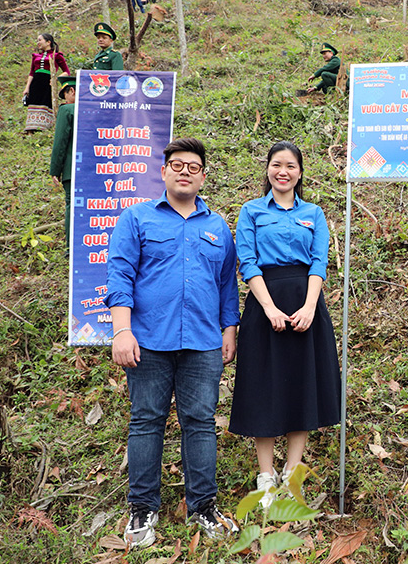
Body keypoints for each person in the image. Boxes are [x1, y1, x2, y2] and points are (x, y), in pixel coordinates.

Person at [106, 138, 240, 549]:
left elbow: (226, 286)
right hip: (148, 341)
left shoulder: (217, 226)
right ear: (163, 172)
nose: (185, 171)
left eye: (193, 166)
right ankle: (142, 509)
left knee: (200, 423)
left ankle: (203, 506)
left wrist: (229, 331)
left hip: (202, 343)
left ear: (203, 176)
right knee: (147, 422)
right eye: (177, 165)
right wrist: (122, 330)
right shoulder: (137, 219)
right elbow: (120, 276)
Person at [228, 141, 342, 509]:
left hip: (306, 306)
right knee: (264, 387)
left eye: (291, 166)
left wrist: (309, 307)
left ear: (300, 172)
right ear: (267, 170)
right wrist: (270, 308)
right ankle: (265, 478)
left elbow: (318, 263)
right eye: (277, 165)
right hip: (265, 306)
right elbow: (247, 261)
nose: (283, 171)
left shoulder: (314, 213)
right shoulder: (251, 211)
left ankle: (292, 476)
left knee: (300, 386)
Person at [22, 33, 69, 133]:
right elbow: (31, 73)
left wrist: (55, 79)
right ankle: (31, 128)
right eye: (37, 40)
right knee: (34, 102)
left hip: (48, 83)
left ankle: (44, 128)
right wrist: (27, 87)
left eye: (40, 40)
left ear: (48, 42)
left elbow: (66, 71)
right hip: (36, 82)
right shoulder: (36, 56)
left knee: (46, 102)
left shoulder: (57, 56)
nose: (38, 42)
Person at [49, 75, 76, 239]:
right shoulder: (98, 109)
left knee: (71, 205)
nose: (65, 100)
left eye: (64, 95)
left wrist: (55, 170)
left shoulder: (67, 110)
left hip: (71, 169)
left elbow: (60, 142)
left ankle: (70, 247)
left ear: (71, 91)